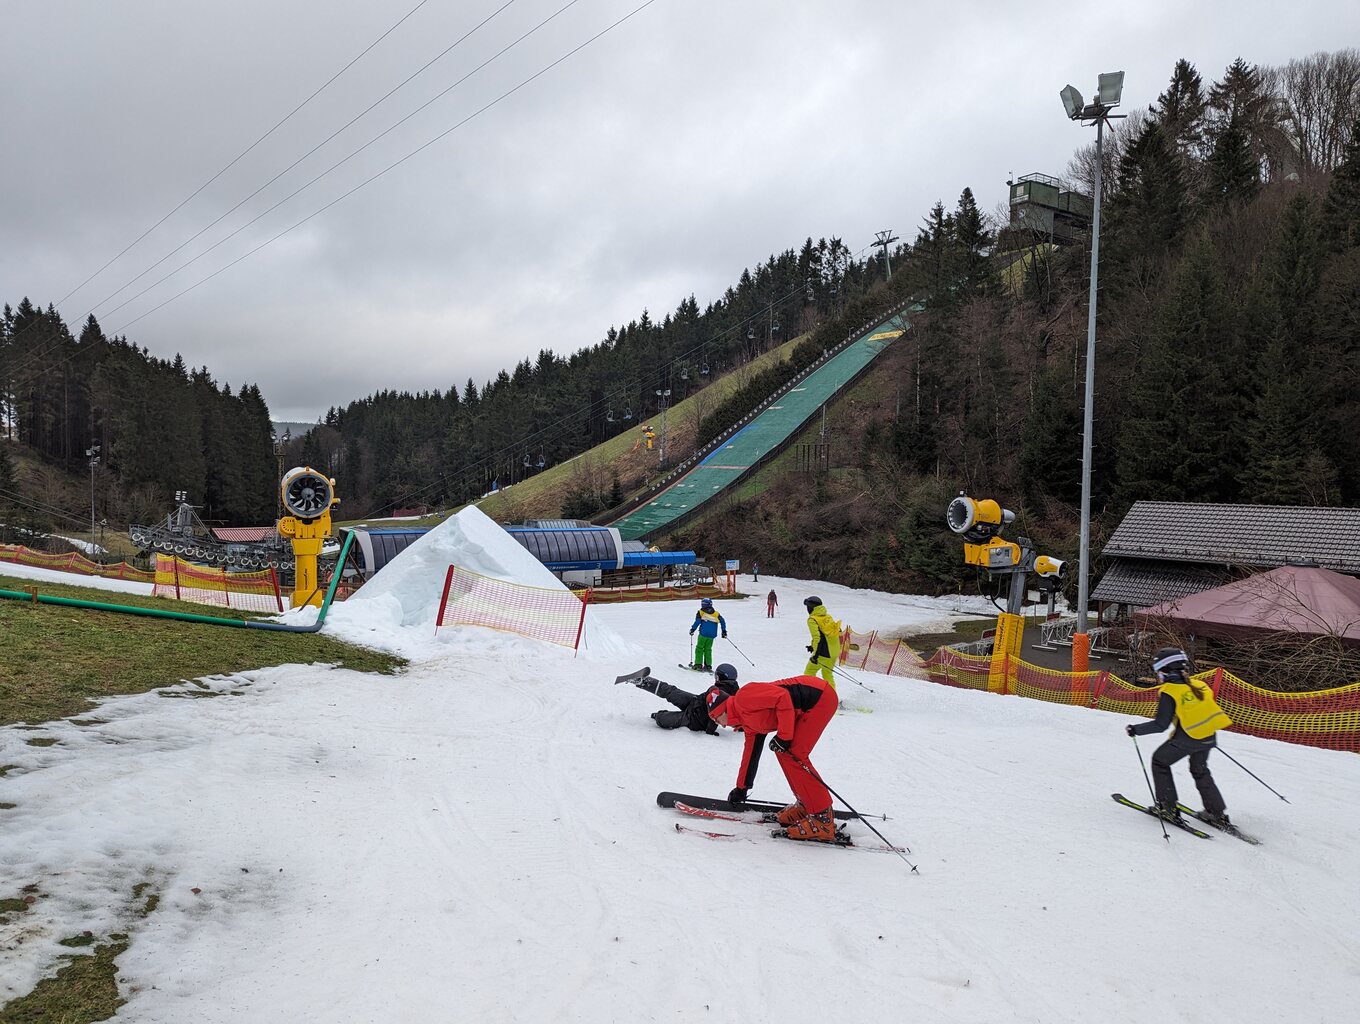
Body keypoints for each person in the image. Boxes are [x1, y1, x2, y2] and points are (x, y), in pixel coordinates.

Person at [706, 673, 840, 842]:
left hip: (819, 698)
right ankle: (806, 805)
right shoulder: (747, 722)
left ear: (722, 709)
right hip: (809, 703)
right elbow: (751, 753)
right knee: (785, 752)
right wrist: (742, 788)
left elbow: (782, 697)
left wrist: (784, 737)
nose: (720, 724)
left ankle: (822, 819)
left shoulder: (743, 698)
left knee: (795, 754)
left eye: (716, 718)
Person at [1126, 647, 1233, 825]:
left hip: (1187, 739)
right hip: (1209, 737)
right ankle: (1217, 813)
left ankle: (1168, 808)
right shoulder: (1200, 685)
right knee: (1200, 770)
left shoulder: (1169, 691)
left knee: (1160, 761)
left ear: (1166, 670)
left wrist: (1135, 729)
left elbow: (1161, 725)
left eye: (1158, 670)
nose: (1158, 675)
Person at [629, 665, 739, 734]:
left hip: (694, 720)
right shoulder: (728, 689)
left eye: (717, 677)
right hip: (695, 702)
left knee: (665, 716)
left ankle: (657, 712)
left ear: (721, 677)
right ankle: (643, 681)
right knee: (672, 692)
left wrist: (710, 731)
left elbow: (715, 716)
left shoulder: (726, 695)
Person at [803, 596, 841, 689]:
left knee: (809, 672)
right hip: (835, 651)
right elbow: (831, 634)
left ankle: (811, 696)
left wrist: (816, 655)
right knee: (827, 674)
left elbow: (817, 638)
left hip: (823, 653)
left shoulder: (812, 619)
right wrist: (813, 646)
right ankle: (832, 698)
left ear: (811, 608)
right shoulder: (828, 617)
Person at [688, 597, 727, 671]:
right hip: (712, 635)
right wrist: (724, 631)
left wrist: (693, 629)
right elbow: (722, 621)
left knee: (699, 648)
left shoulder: (701, 612)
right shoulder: (716, 613)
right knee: (708, 649)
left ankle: (698, 664)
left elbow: (697, 622)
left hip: (703, 634)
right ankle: (708, 665)